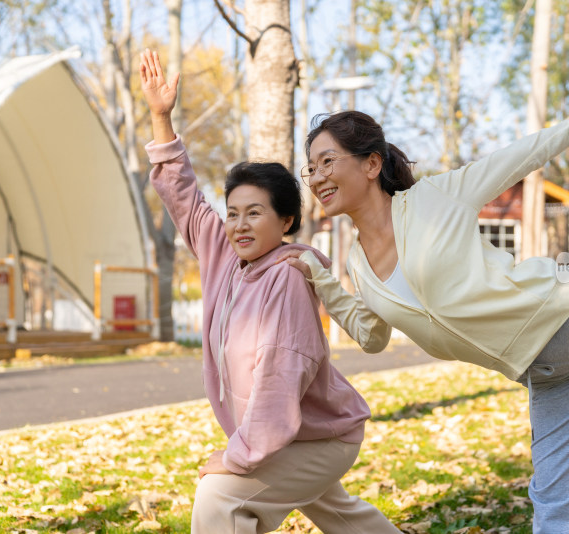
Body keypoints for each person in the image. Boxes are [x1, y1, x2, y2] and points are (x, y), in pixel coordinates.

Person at [278, 56, 569, 533]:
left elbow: (520, 156)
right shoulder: (358, 266)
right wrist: (324, 282)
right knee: (556, 509)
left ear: (372, 164)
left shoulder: (433, 199)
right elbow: (371, 335)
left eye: (327, 162)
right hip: (545, 372)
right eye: (309, 167)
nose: (315, 178)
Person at [138, 49, 400, 534]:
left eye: (254, 213)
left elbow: (280, 380)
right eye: (232, 212)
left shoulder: (287, 278)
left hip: (317, 439)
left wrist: (237, 456)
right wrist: (161, 117)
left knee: (219, 497)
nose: (238, 224)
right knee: (343, 516)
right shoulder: (225, 254)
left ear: (285, 221)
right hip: (296, 435)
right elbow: (182, 195)